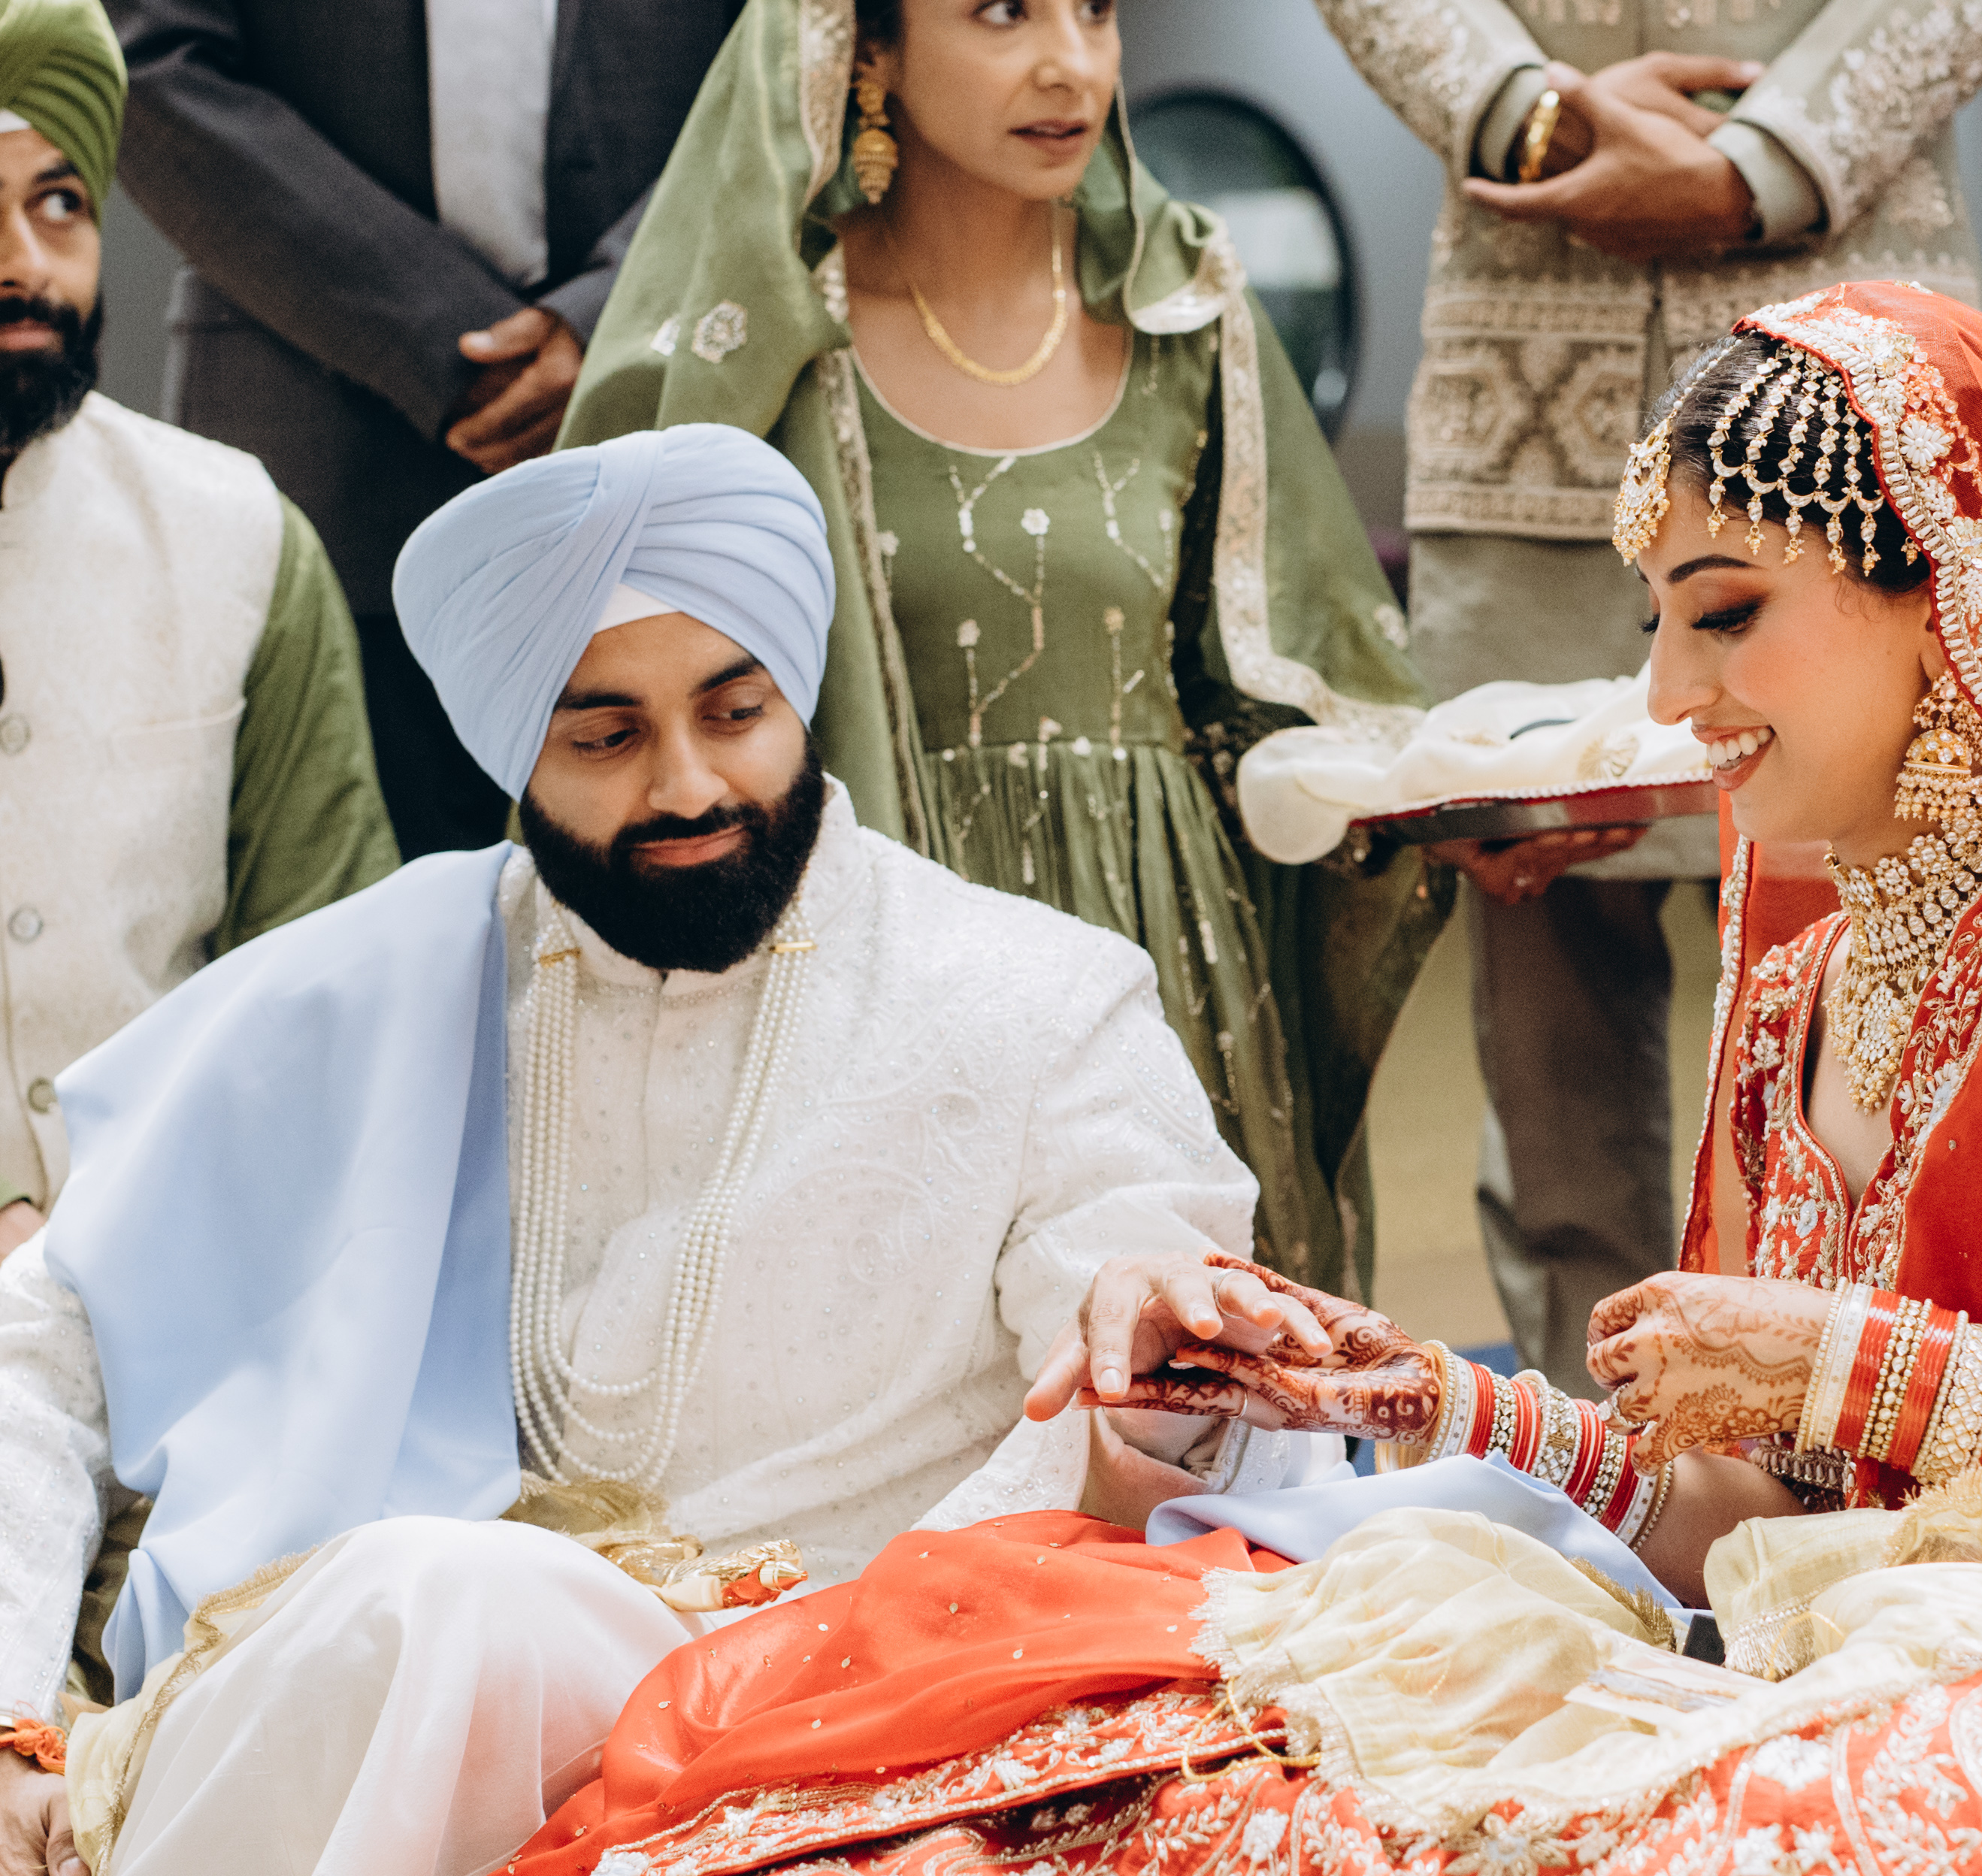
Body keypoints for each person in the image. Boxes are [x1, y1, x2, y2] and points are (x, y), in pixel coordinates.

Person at [501, 284, 1982, 1876]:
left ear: (1949, 591)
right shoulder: (1822, 937)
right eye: (1654, 618)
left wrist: (1857, 1365)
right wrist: (1414, 1397)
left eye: (1728, 611)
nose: (1669, 690)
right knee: (1190, 1752)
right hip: (1862, 1638)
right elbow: (1757, 1508)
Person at [0, 425, 1348, 1876]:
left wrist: (1154, 1391)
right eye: (606, 737)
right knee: (434, 1604)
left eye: (736, 711)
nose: (689, 786)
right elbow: (41, 1347)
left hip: (864, 1692)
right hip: (421, 1697)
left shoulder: (1031, 1000)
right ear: (516, 753)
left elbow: (1150, 1347)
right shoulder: (373, 993)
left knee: (441, 1602)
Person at [561, 0, 1448, 1302]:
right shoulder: (779, 348)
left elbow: (1299, 684)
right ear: (866, 49)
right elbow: (627, 692)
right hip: (885, 972)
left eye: (1095, 12)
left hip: (1169, 961)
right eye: (999, 13)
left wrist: (1452, 810)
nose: (1069, 64)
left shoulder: (1182, 313)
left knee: (1176, 1367)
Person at [1312, 0, 1982, 1386]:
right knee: (1549, 1030)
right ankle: (1606, 1452)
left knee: (1888, 971)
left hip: (1845, 373)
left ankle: (1880, 1427)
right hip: (1524, 390)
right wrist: (1529, 113)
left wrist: (1765, 162)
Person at [108, 0, 747, 858]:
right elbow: (147, 61)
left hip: (676, 430)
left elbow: (793, 65)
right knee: (329, 912)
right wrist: (444, 340)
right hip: (321, 449)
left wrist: (611, 315)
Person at [0, 0, 395, 1266]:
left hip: (181, 1281)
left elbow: (329, 982)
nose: (24, 262)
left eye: (60, 203)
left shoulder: (238, 538)